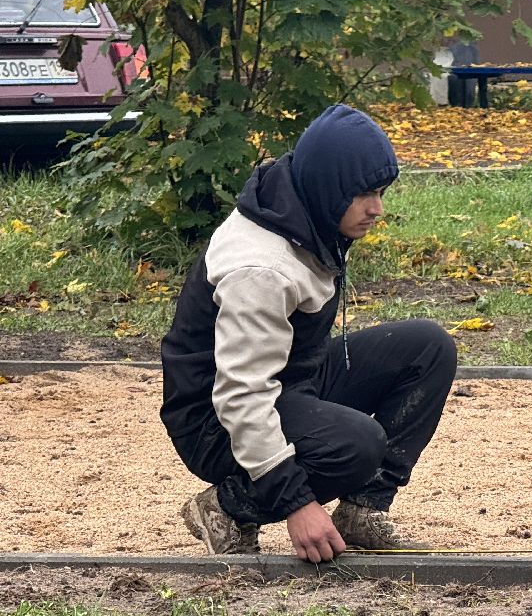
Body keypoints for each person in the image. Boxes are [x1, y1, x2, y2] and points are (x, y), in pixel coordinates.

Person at [160, 104, 457, 562]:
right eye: (364, 195)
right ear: (329, 188)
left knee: (428, 348)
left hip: (287, 381)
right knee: (357, 445)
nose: (377, 209)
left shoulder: (306, 210)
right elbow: (240, 395)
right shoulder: (261, 269)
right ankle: (226, 508)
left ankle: (362, 511)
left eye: (380, 192)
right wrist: (296, 501)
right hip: (216, 420)